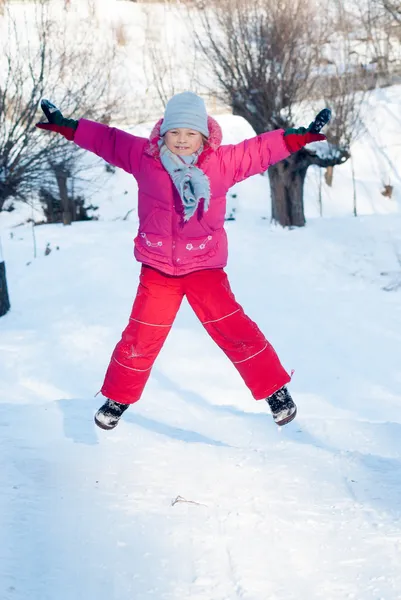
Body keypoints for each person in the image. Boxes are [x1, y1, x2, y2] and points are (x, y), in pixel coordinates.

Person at [36, 92, 328, 430]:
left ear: (203, 136)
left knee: (234, 329)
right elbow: (108, 140)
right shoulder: (144, 157)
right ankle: (118, 397)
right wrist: (68, 126)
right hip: (158, 267)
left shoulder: (221, 162)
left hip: (204, 266)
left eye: (190, 134)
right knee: (141, 336)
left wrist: (300, 136)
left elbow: (260, 150)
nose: (182, 141)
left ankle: (276, 392)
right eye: (175, 133)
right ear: (164, 134)